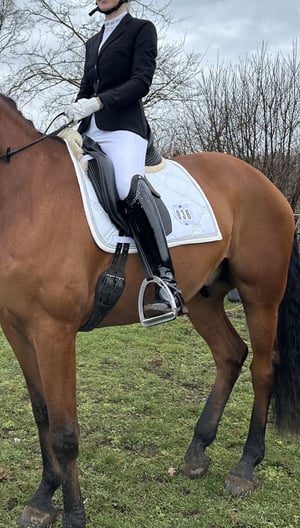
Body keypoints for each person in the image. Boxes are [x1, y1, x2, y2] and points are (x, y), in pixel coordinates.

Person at [64, 0, 184, 318]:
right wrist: (75, 113)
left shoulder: (141, 30)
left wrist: (99, 103)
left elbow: (141, 82)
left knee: (124, 186)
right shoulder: (93, 42)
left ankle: (165, 281)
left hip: (123, 129)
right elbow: (86, 88)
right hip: (89, 129)